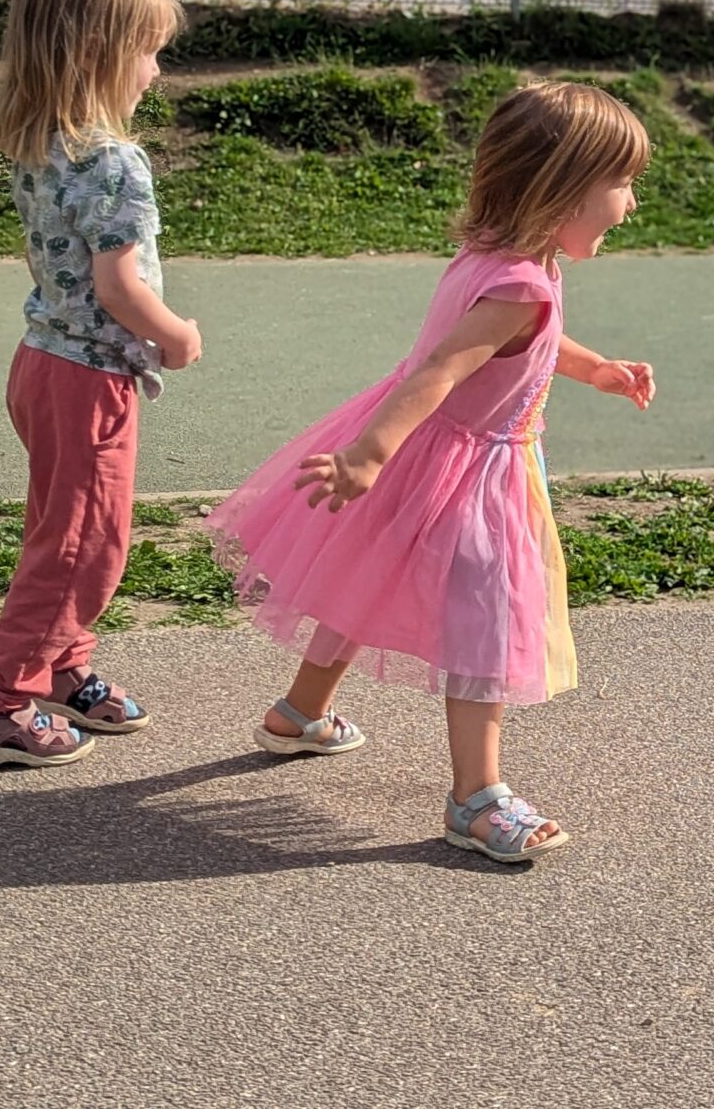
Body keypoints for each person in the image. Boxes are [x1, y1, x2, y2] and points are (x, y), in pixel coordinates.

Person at [206, 81, 655, 862]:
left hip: (427, 455)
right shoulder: (519, 286)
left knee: (367, 577)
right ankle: (476, 799)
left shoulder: (506, 263)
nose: (631, 204)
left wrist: (596, 370)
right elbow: (443, 368)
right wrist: (368, 454)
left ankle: (301, 714)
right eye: (621, 184)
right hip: (467, 472)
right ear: (562, 191)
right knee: (488, 626)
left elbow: (528, 342)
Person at [0, 0, 197, 768]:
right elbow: (120, 285)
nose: (156, 71)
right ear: (99, 53)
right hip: (88, 377)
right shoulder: (114, 161)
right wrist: (174, 334)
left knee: (65, 530)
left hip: (43, 364)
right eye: (148, 51)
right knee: (85, 547)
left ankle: (61, 666)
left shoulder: (43, 143)